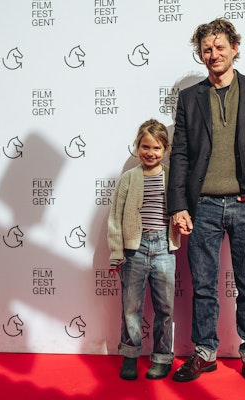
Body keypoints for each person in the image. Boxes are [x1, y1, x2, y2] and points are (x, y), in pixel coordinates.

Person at [167, 18, 245, 389]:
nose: (213, 54)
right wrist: (178, 205)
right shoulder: (190, 98)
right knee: (203, 286)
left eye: (219, 47)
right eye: (206, 49)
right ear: (200, 54)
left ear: (235, 48)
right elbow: (180, 154)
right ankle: (204, 351)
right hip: (201, 206)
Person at [107, 118, 181, 380]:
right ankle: (130, 355)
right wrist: (117, 252)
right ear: (137, 146)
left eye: (157, 148)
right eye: (145, 146)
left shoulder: (172, 177)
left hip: (164, 249)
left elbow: (182, 208)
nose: (150, 153)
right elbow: (115, 219)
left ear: (166, 149)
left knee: (165, 308)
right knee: (131, 307)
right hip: (134, 251)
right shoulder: (128, 179)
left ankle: (162, 358)